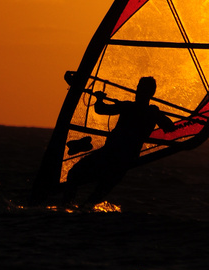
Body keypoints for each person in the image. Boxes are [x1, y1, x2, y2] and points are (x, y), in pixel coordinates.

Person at [63, 76, 175, 204]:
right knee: (91, 194)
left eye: (142, 89)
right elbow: (170, 127)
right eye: (138, 88)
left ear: (150, 93)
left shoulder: (134, 108)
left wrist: (99, 99)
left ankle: (66, 209)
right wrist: (157, 114)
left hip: (112, 157)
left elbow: (101, 109)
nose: (138, 91)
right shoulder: (145, 111)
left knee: (75, 177)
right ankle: (70, 209)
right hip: (123, 161)